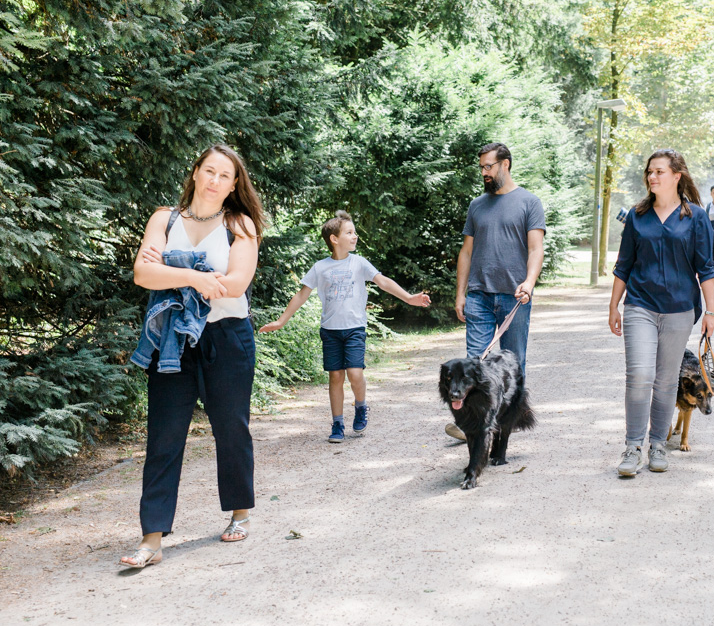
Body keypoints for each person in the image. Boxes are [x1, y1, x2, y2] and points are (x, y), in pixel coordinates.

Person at [121, 144, 267, 568]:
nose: (214, 180)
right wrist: (194, 275)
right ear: (196, 173)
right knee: (164, 437)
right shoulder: (164, 219)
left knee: (231, 429)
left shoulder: (240, 224)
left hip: (227, 337)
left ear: (233, 184)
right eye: (209, 171)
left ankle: (239, 513)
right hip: (172, 341)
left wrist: (170, 268)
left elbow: (236, 284)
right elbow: (142, 273)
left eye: (224, 175)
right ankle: (151, 540)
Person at [259, 211, 431, 442]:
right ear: (334, 238)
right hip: (330, 331)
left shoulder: (359, 263)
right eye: (349, 232)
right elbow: (301, 295)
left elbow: (383, 282)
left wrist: (409, 297)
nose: (355, 236)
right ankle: (337, 424)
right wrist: (281, 320)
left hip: (354, 328)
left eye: (355, 232)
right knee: (335, 377)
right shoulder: (320, 268)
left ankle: (360, 406)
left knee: (355, 373)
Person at [609, 149, 714, 476]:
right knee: (640, 376)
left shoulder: (696, 217)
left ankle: (658, 443)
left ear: (676, 176)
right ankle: (632, 447)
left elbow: (706, 267)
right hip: (639, 305)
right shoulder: (637, 215)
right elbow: (623, 264)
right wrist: (613, 304)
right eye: (649, 172)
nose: (652, 177)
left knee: (667, 380)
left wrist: (711, 311)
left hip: (680, 310)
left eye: (659, 171)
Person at [447, 142, 546, 442]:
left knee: (514, 365)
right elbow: (466, 252)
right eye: (481, 167)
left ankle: (504, 427)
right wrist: (460, 293)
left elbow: (535, 248)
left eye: (489, 166)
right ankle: (474, 424)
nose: (484, 172)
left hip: (513, 298)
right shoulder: (477, 205)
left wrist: (529, 281)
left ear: (506, 164)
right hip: (478, 295)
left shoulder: (529, 202)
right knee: (474, 366)